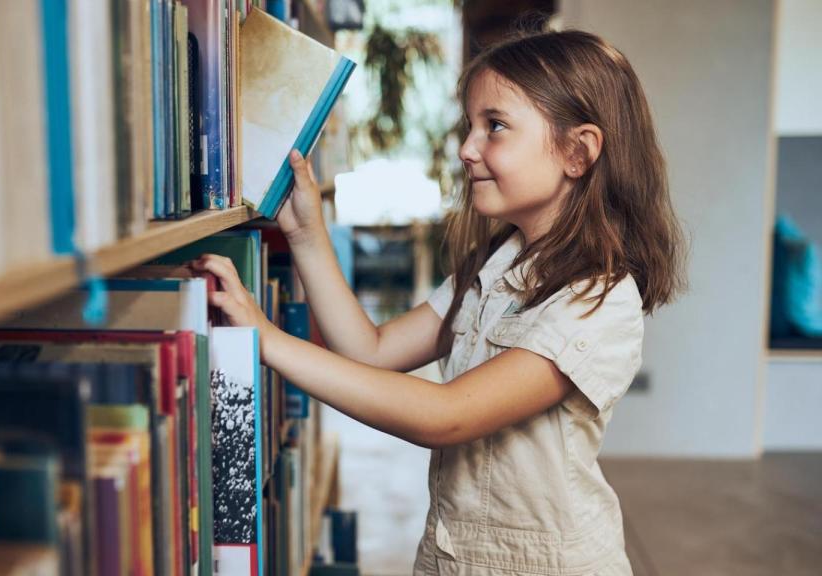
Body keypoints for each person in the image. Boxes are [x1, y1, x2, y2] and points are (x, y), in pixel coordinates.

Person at [194, 29, 685, 576]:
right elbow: (371, 351)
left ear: (577, 151)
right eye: (468, 126)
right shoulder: (492, 264)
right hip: (450, 556)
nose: (467, 149)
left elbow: (447, 416)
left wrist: (266, 339)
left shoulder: (597, 297)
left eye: (495, 127)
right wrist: (308, 235)